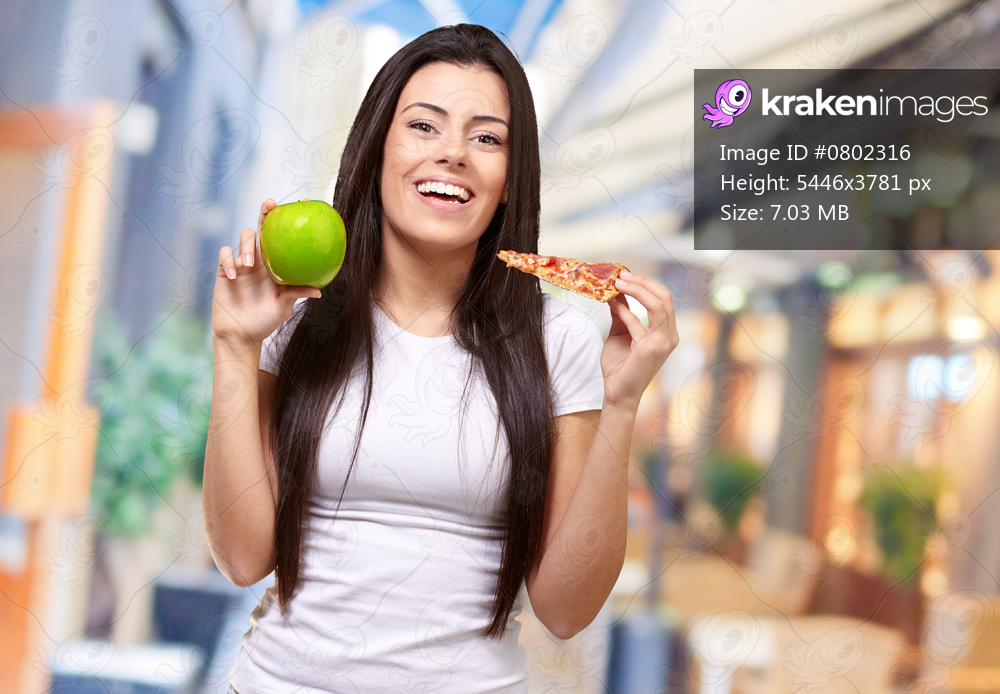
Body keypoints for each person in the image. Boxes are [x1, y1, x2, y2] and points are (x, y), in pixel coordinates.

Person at [206, 23, 678, 693]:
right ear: (377, 151)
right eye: (424, 126)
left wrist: (624, 402)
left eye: (487, 138)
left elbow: (567, 611)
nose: (453, 153)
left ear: (511, 180)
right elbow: (241, 557)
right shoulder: (294, 322)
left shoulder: (562, 342)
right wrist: (234, 348)